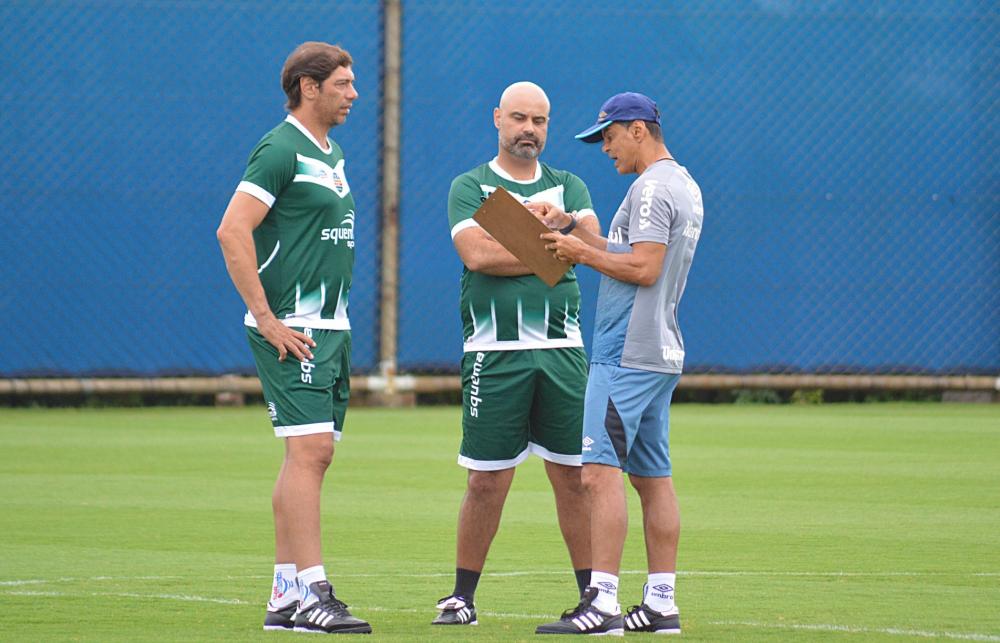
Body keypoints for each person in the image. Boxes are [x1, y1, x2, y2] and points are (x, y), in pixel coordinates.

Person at [533, 92, 703, 635]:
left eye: (607, 136)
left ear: (637, 129)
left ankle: (602, 602)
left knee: (597, 474)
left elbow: (643, 269)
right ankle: (660, 602)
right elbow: (626, 251)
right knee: (654, 480)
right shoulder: (682, 182)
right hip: (659, 352)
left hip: (625, 354)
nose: (604, 148)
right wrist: (575, 229)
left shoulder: (650, 187)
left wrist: (578, 254)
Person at [216, 41, 371, 635]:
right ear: (309, 87)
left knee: (310, 454)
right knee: (312, 452)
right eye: (343, 84)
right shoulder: (280, 147)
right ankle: (313, 592)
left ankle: (284, 595)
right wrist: (267, 316)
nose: (354, 94)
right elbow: (233, 231)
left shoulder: (330, 152)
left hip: (333, 326)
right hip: (294, 328)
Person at [432, 81, 600, 628]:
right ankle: (461, 598)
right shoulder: (471, 185)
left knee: (574, 478)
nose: (530, 130)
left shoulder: (568, 184)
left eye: (541, 121)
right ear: (498, 119)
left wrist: (566, 237)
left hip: (563, 351)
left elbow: (592, 246)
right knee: (485, 480)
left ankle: (591, 599)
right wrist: (553, 249)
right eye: (520, 119)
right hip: (494, 352)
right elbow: (477, 255)